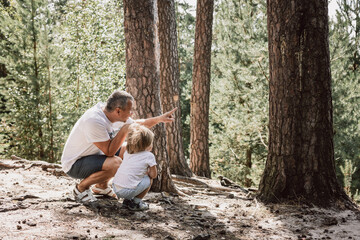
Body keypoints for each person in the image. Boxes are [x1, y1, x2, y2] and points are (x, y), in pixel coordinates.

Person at [61, 90, 176, 203]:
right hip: (75, 164)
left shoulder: (111, 114)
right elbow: (109, 152)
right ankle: (80, 189)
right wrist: (124, 130)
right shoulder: (94, 120)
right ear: (118, 111)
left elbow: (137, 124)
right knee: (116, 163)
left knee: (129, 149)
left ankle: (101, 186)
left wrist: (160, 119)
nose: (132, 113)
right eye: (130, 110)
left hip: (93, 156)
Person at [112, 124, 157, 211]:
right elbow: (154, 175)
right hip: (126, 191)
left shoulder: (128, 153)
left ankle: (127, 201)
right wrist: (148, 172)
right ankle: (136, 203)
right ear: (147, 144)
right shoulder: (149, 156)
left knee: (132, 178)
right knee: (149, 179)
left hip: (115, 187)